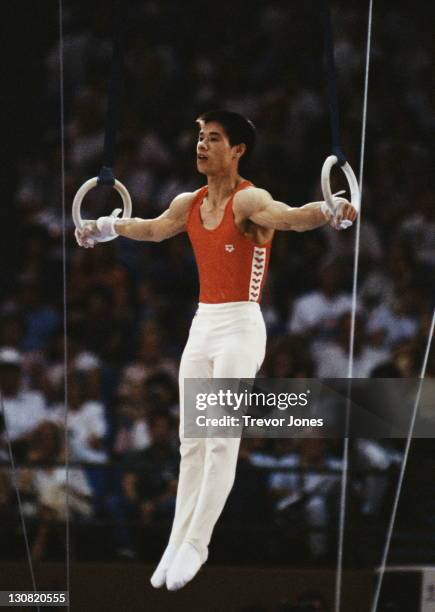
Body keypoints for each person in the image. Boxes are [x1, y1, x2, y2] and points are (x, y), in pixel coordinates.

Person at [75, 109, 357, 590]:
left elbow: (289, 218)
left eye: (214, 138)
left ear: (237, 149)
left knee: (220, 435)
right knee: (192, 442)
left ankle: (196, 544)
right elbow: (152, 228)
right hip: (202, 325)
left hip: (241, 328)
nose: (201, 145)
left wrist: (331, 210)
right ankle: (176, 538)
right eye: (199, 137)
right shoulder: (190, 202)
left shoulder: (250, 201)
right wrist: (105, 226)